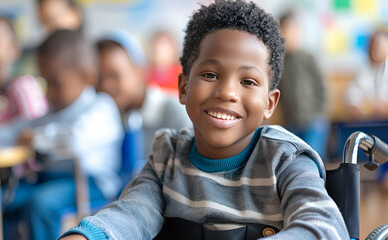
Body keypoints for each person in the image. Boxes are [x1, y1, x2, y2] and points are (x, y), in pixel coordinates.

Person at [59, 1, 348, 239]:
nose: (227, 92)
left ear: (269, 103)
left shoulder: (286, 160)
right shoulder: (166, 158)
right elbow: (133, 212)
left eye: (248, 81)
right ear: (184, 88)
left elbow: (323, 225)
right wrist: (88, 235)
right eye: (210, 75)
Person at [0, 29, 123, 240]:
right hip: (48, 181)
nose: (49, 93)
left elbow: (75, 140)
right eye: (45, 83)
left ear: (87, 76)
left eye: (56, 83)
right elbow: (14, 131)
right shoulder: (51, 113)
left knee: (40, 205)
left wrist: (36, 138)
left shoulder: (101, 108)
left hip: (91, 185)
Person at [95, 30, 192, 158]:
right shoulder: (105, 121)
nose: (106, 86)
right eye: (99, 79)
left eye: (114, 75)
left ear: (140, 70)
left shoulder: (174, 111)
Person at [277, 9, 329, 159]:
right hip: (291, 121)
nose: (288, 35)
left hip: (314, 121)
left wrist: (320, 114)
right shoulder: (280, 62)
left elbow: (321, 88)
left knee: (314, 158)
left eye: (292, 30)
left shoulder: (308, 57)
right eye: (284, 31)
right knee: (295, 159)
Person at [345, 28, 388, 119]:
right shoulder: (364, 70)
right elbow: (353, 91)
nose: (376, 49)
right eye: (373, 45)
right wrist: (355, 105)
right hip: (369, 120)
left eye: (381, 45)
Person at [147, 30, 182, 96]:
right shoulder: (147, 76)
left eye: (163, 46)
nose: (159, 50)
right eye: (156, 46)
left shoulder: (183, 75)